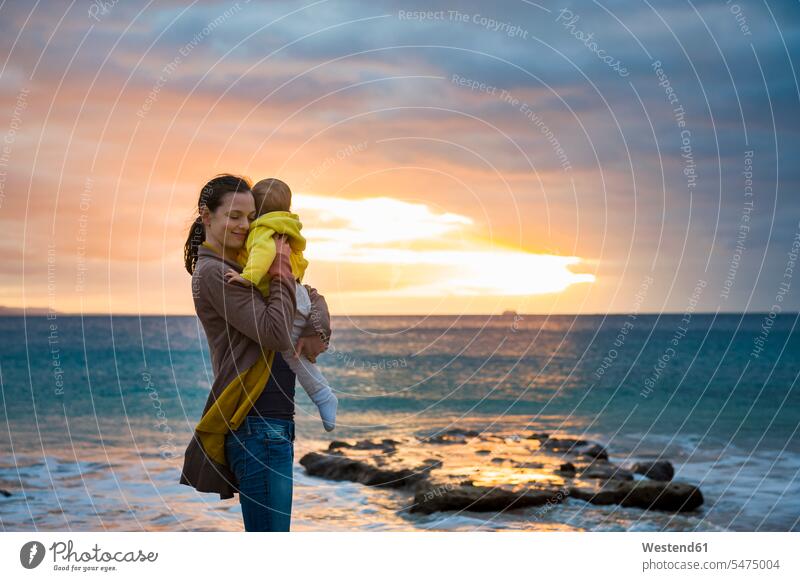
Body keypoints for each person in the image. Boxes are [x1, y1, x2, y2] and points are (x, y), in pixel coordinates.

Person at [179, 174, 331, 532]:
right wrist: (280, 268)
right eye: (233, 216)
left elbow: (308, 295)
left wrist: (316, 323)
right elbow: (277, 333)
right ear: (206, 216)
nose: (245, 226)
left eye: (250, 217)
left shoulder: (244, 267)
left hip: (273, 423)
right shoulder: (215, 274)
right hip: (257, 425)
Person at [223, 178, 338, 432]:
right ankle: (323, 395)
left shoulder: (263, 231)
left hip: (293, 298)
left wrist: (246, 277)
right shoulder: (287, 228)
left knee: (291, 352)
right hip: (298, 294)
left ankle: (323, 395)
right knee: (296, 350)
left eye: (250, 214)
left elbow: (263, 254)